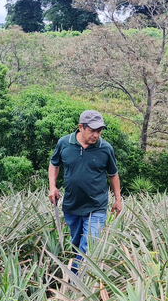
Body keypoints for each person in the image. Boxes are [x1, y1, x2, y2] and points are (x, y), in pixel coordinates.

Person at [48, 110, 122, 273]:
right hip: (72, 205)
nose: (96, 135)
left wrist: (118, 199)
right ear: (81, 127)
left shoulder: (105, 148)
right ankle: (79, 276)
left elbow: (113, 174)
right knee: (76, 244)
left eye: (99, 131)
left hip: (97, 206)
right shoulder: (64, 143)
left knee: (89, 243)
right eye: (92, 131)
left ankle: (74, 282)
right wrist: (52, 187)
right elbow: (54, 164)